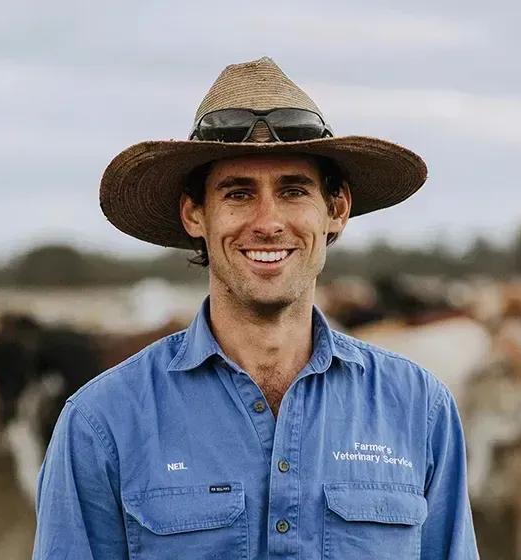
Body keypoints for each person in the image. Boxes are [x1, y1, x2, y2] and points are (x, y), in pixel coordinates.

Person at [33, 57, 479, 559]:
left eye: (293, 190)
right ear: (195, 214)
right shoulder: (101, 423)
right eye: (239, 193)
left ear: (336, 211)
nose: (268, 222)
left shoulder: (419, 409)